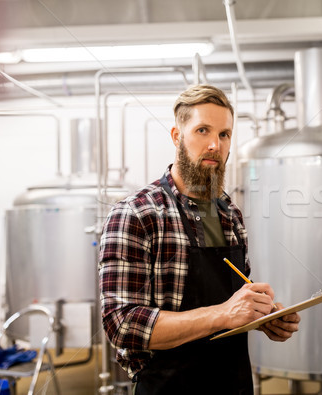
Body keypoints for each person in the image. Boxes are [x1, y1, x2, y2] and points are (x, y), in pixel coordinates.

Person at [98, 84, 300, 395]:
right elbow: (122, 325)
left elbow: (232, 299)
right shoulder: (138, 213)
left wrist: (262, 315)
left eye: (224, 134)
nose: (214, 145)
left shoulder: (229, 214)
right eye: (202, 130)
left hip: (233, 384)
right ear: (177, 136)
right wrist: (223, 314)